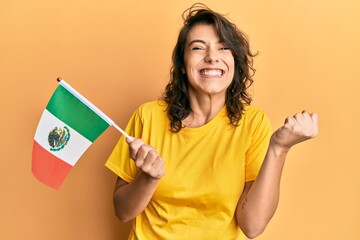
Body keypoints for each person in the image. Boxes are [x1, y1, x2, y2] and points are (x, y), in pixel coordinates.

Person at [105, 3, 318, 240]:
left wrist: (279, 148)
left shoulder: (253, 123)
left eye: (224, 48)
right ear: (183, 65)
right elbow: (123, 212)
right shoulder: (148, 116)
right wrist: (148, 178)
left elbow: (252, 226)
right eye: (198, 47)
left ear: (234, 62)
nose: (212, 57)